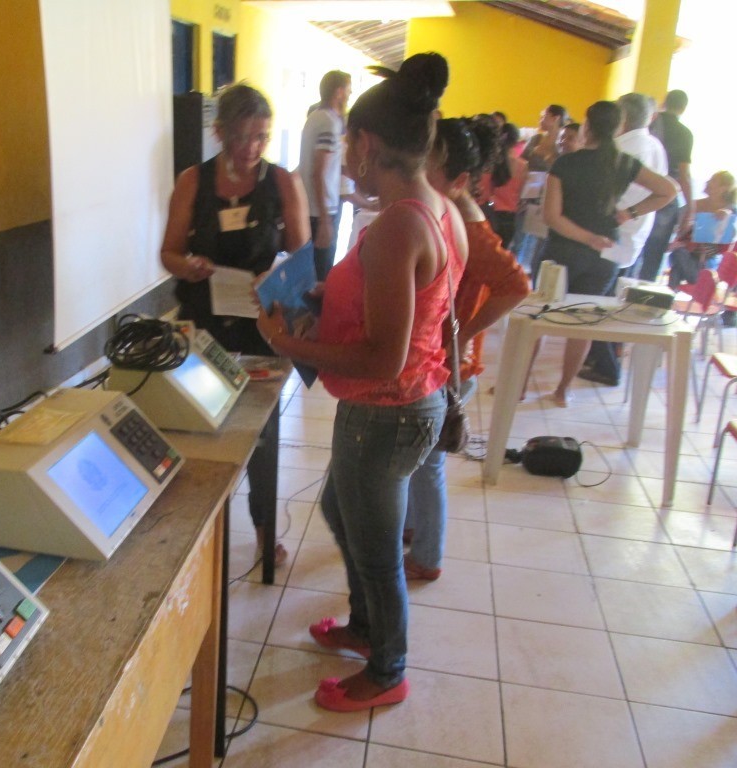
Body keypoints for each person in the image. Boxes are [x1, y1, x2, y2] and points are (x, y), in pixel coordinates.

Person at [256, 53, 467, 711]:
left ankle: (387, 669)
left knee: (377, 551)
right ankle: (365, 625)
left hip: (387, 410)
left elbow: (382, 357)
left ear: (367, 145)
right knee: (337, 509)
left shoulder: (400, 224)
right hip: (403, 404)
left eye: (349, 141)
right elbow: (423, 305)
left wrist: (287, 342)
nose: (345, 154)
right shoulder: (441, 208)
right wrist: (335, 295)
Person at [160, 83, 310, 566]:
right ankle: (198, 531)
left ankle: (265, 531)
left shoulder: (282, 182)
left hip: (261, 325)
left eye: (261, 136)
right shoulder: (193, 181)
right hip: (204, 322)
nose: (251, 148)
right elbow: (169, 253)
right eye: (242, 136)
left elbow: (302, 256)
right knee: (202, 423)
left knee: (261, 432)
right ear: (220, 132)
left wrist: (275, 274)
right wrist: (188, 266)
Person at [403, 116, 530, 581]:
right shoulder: (451, 210)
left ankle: (427, 557)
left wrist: (460, 335)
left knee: (428, 464)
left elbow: (516, 286)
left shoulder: (471, 227)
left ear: (458, 178)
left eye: (428, 165)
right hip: (444, 360)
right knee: (420, 461)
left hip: (453, 366)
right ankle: (414, 530)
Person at [534, 101, 675, 407]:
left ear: (587, 126)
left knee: (539, 316)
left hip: (561, 250)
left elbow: (552, 217)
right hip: (604, 254)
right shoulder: (624, 163)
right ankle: (562, 391)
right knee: (584, 323)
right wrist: (630, 212)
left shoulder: (565, 164)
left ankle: (519, 387)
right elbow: (668, 191)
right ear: (618, 127)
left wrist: (586, 237)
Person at [581, 92, 668, 386]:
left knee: (598, 303)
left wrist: (625, 213)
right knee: (611, 299)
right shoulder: (655, 145)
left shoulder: (622, 148)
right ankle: (602, 357)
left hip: (613, 235)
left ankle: (607, 365)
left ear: (624, 118)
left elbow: (606, 195)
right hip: (635, 234)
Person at [632, 89, 694, 282]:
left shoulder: (650, 122)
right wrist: (690, 208)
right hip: (666, 196)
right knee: (653, 254)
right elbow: (684, 175)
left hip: (638, 188)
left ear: (664, 102)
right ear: (683, 108)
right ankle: (643, 293)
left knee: (632, 244)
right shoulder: (684, 133)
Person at [299, 70, 352, 280]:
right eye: (348, 90)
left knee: (309, 273)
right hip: (321, 209)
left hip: (312, 207)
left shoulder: (316, 117)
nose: (350, 94)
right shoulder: (329, 122)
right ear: (338, 92)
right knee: (321, 275)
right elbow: (319, 173)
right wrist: (324, 220)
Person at [513, 104, 569, 272]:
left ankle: (531, 273)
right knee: (519, 237)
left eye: (544, 116)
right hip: (526, 193)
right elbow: (522, 164)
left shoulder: (562, 146)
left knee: (537, 243)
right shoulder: (535, 139)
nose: (540, 120)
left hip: (546, 198)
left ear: (555, 118)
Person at [667, 170, 737, 288]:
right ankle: (696, 281)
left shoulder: (731, 211)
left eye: (713, 180)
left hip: (709, 259)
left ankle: (675, 289)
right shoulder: (694, 205)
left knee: (678, 265)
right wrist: (683, 234)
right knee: (678, 254)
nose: (707, 182)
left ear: (724, 188)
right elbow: (675, 228)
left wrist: (726, 215)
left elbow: (729, 242)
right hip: (687, 252)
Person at [487, 122, 527, 248]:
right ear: (516, 142)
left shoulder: (493, 162)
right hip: (510, 216)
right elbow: (522, 194)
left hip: (491, 213)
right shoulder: (522, 165)